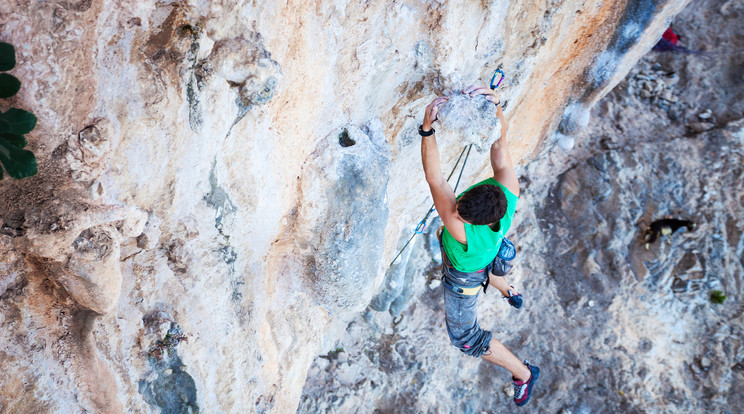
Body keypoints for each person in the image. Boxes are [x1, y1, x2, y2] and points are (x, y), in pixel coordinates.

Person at [419, 85, 540, 406]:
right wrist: (495, 105)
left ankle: (524, 374)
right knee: (495, 256)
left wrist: (427, 129)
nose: (454, 212)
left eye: (459, 213)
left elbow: (435, 180)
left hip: (465, 276)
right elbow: (499, 142)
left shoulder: (460, 230)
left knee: (465, 338)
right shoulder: (508, 191)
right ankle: (506, 289)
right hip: (491, 250)